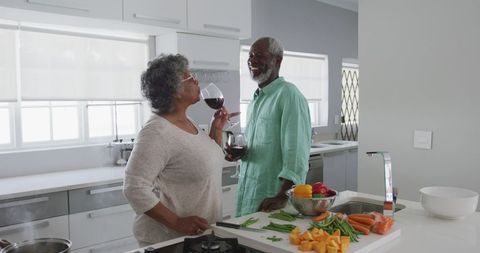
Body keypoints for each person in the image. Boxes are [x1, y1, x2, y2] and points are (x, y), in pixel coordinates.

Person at [123, 54, 237, 247]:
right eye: (189, 77)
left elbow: (205, 160)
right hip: (169, 241)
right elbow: (134, 187)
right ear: (174, 90)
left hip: (198, 237)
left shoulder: (186, 121)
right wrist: (176, 221)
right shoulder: (157, 132)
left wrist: (216, 129)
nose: (196, 79)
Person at [235, 37, 311, 216]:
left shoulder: (289, 95)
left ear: (277, 60)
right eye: (250, 55)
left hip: (273, 202)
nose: (252, 60)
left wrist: (282, 196)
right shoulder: (256, 99)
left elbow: (297, 155)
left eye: (259, 56)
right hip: (248, 197)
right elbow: (263, 147)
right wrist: (240, 153)